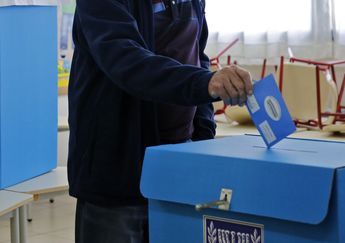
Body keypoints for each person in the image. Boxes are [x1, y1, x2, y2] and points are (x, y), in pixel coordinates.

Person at [67, 0, 252, 242]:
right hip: (117, 172)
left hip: (178, 169)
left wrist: (203, 137)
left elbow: (197, 56)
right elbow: (127, 60)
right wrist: (205, 83)